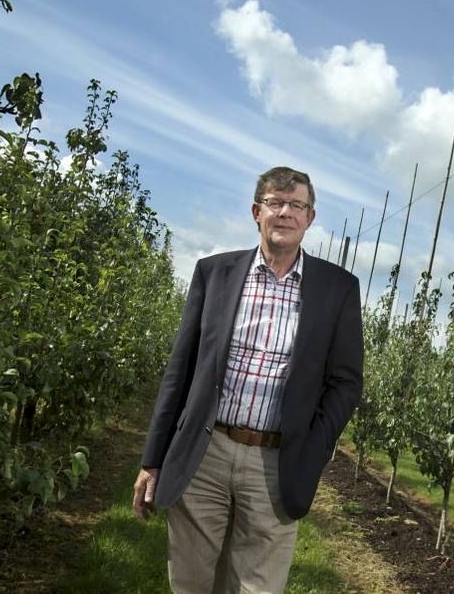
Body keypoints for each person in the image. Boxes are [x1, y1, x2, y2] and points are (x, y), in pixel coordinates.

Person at [132, 166, 364, 593]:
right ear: (257, 212)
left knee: (257, 586)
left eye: (297, 205)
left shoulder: (339, 288)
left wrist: (315, 446)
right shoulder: (213, 273)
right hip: (206, 452)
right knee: (190, 581)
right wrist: (152, 460)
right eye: (276, 203)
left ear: (310, 218)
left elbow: (346, 382)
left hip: (278, 461)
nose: (285, 212)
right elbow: (180, 370)